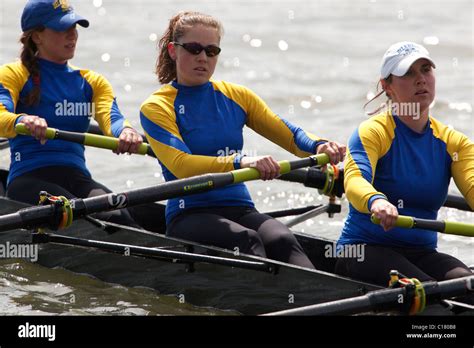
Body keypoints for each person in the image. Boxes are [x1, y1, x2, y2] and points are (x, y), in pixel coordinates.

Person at [140, 11, 346, 268]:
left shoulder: (236, 96)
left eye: (211, 50)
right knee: (247, 240)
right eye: (193, 49)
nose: (202, 58)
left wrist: (319, 145)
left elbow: (289, 134)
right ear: (173, 50)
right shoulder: (157, 106)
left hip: (239, 207)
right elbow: (181, 165)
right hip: (190, 212)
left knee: (283, 238)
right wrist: (241, 162)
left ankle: (321, 298)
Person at [336, 41, 473, 286]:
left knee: (465, 284)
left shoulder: (453, 142)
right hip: (362, 251)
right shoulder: (373, 132)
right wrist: (375, 200)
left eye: (426, 70)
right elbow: (355, 180)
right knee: (430, 291)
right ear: (387, 86)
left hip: (422, 254)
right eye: (408, 73)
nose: (420, 79)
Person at [0, 0, 143, 225]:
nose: (72, 35)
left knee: (119, 219)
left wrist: (125, 131)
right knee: (82, 219)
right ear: (37, 35)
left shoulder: (91, 81)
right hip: (29, 179)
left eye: (74, 28)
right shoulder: (14, 74)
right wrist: (22, 119)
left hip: (77, 177)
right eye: (62, 29)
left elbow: (110, 116)